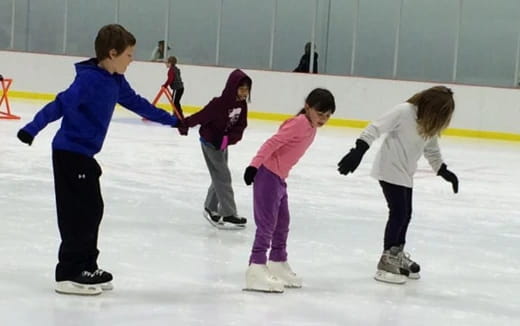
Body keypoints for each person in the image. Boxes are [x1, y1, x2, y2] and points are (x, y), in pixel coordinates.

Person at [16, 24, 183, 296]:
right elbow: (59, 104)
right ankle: (69, 272)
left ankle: (87, 266)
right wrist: (31, 129)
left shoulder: (115, 81)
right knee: (77, 214)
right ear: (112, 53)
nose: (132, 60)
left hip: (84, 155)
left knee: (93, 209)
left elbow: (139, 104)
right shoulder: (89, 80)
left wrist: (174, 121)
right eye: (129, 55)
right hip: (70, 153)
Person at [337, 86, 459, 284]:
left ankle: (396, 252)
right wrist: (358, 151)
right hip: (389, 168)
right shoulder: (404, 112)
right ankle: (387, 259)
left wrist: (443, 171)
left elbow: (432, 150)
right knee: (399, 213)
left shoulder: (428, 124)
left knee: (406, 213)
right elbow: (375, 128)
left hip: (405, 173)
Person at [243, 88, 336, 293]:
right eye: (320, 114)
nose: (323, 119)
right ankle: (256, 267)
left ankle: (277, 260)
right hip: (267, 175)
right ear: (307, 107)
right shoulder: (300, 123)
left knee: (282, 223)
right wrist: (254, 166)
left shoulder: (311, 127)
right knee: (267, 224)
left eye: (328, 116)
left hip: (279, 178)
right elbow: (272, 142)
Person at [180, 69, 252, 229]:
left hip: (223, 144)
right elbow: (201, 116)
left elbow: (241, 126)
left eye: (247, 89)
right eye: (241, 89)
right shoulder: (219, 104)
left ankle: (210, 207)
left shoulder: (242, 105)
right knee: (223, 176)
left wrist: (228, 139)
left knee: (219, 175)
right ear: (233, 87)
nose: (244, 93)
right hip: (210, 143)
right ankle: (228, 213)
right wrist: (184, 124)